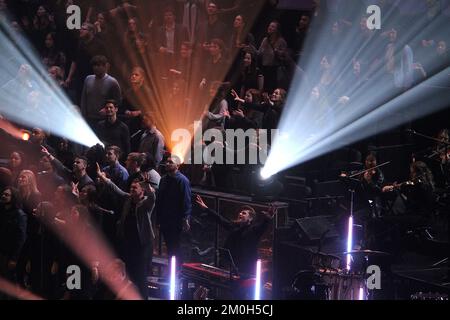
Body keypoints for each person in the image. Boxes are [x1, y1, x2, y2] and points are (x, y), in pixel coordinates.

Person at [97, 164, 155, 299]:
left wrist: (148, 187)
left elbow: (153, 198)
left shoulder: (145, 203)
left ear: (142, 191)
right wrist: (103, 178)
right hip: (128, 241)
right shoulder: (129, 199)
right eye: (131, 187)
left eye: (135, 187)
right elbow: (116, 189)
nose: (131, 189)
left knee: (140, 274)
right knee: (128, 271)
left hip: (142, 244)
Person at [195, 195, 276, 276]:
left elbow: (262, 226)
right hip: (231, 267)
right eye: (240, 212)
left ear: (250, 219)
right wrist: (206, 208)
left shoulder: (253, 230)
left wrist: (268, 218)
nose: (240, 214)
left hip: (245, 270)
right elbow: (219, 219)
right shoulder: (234, 227)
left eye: (244, 213)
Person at [155, 156, 191, 261]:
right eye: (167, 162)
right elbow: (160, 200)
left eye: (171, 162)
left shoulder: (182, 180)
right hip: (165, 219)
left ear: (177, 165)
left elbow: (186, 200)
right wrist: (158, 219)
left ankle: (177, 272)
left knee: (176, 248)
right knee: (170, 248)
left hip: (176, 221)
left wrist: (186, 218)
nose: (167, 164)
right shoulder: (164, 179)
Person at [0, 187, 27, 287]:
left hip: (9, 254)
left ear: (13, 197)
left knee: (9, 281)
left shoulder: (20, 215)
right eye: (3, 194)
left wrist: (14, 258)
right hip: (1, 251)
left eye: (7, 195)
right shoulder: (2, 211)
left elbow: (21, 238)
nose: (3, 196)